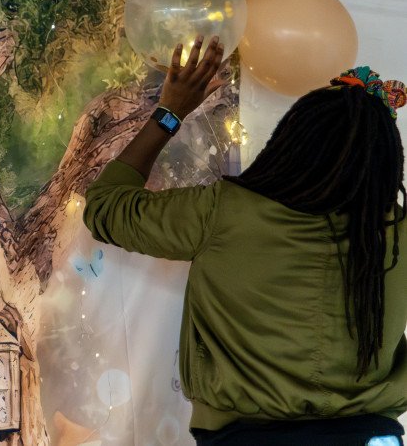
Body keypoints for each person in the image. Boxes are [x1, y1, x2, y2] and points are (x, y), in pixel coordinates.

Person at [83, 35, 407, 446]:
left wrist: (170, 113)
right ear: (385, 161)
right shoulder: (396, 236)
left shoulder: (224, 212)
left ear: (290, 143)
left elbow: (106, 207)